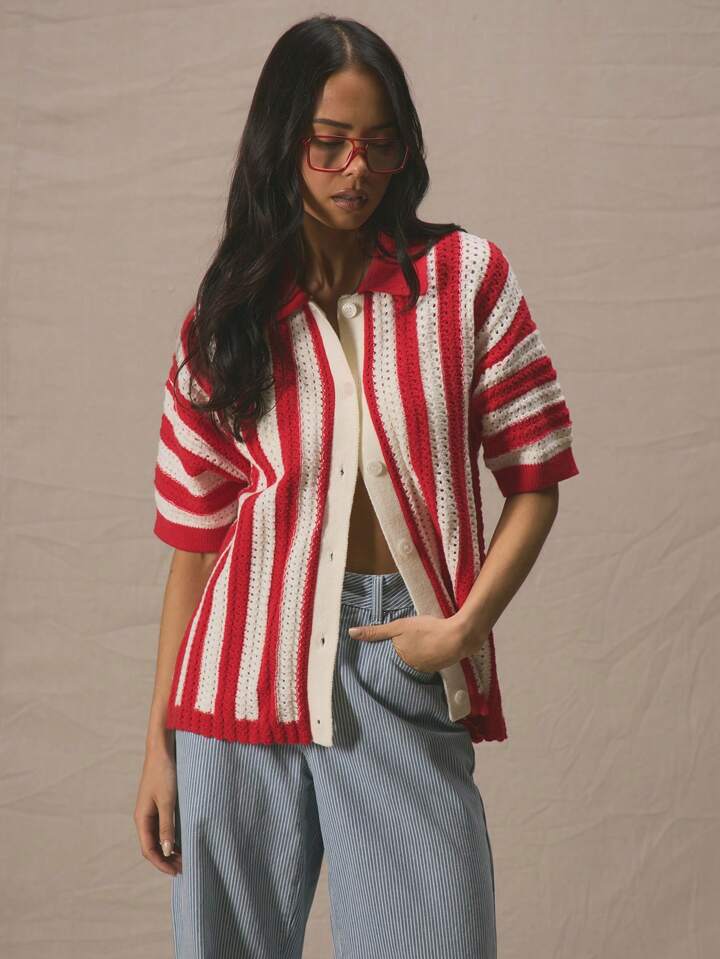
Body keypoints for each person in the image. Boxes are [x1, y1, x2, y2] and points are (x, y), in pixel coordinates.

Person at [134, 14, 579, 959]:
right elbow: (195, 550)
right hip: (237, 676)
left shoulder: (465, 282)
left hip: (398, 653)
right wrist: (158, 745)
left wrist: (463, 628)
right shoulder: (226, 317)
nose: (356, 169)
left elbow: (537, 477)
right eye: (329, 143)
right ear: (283, 143)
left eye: (379, 144)